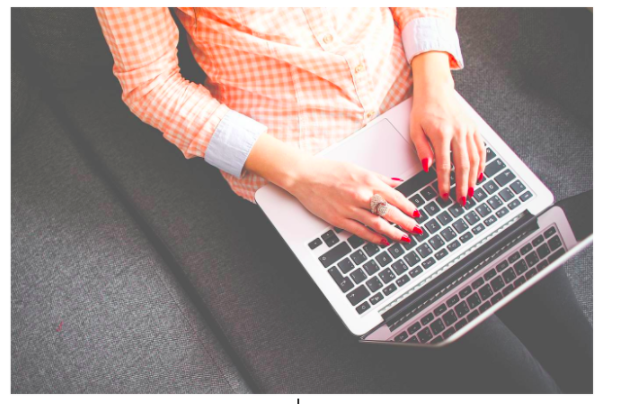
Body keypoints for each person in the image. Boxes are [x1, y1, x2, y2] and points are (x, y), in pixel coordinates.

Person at [95, 7, 592, 393]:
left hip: (419, 112)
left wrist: (437, 87)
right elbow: (150, 84)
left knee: (579, 351)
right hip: (307, 169)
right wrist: (303, 176)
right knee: (518, 382)